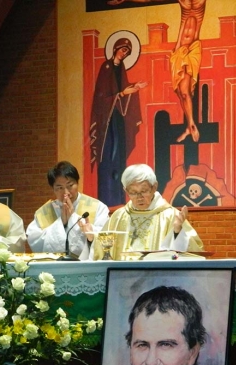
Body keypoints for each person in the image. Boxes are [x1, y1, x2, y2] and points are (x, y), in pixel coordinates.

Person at [108, 0, 206, 143]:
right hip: (179, 50)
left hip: (192, 49)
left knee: (185, 92)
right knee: (180, 92)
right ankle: (188, 126)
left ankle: (191, 124)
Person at [81, 164, 203, 260]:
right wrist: (92, 239)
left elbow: (195, 252)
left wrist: (178, 233)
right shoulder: (119, 216)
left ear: (154, 187)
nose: (139, 197)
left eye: (144, 191)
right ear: (125, 190)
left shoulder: (170, 215)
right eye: (133, 192)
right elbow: (104, 253)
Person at [89, 36, 147, 207]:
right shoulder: (106, 68)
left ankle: (119, 199)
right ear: (115, 49)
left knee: (119, 158)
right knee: (108, 157)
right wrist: (121, 94)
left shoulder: (121, 69)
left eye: (127, 52)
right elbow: (101, 98)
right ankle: (106, 199)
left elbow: (123, 89)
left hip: (117, 121)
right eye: (123, 50)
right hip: (106, 124)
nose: (124, 54)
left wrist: (134, 88)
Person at [26, 161, 109, 257]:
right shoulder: (43, 213)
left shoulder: (97, 207)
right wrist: (61, 223)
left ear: (77, 183)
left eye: (70, 186)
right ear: (53, 189)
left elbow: (105, 238)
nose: (66, 193)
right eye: (60, 188)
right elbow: (35, 242)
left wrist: (74, 219)